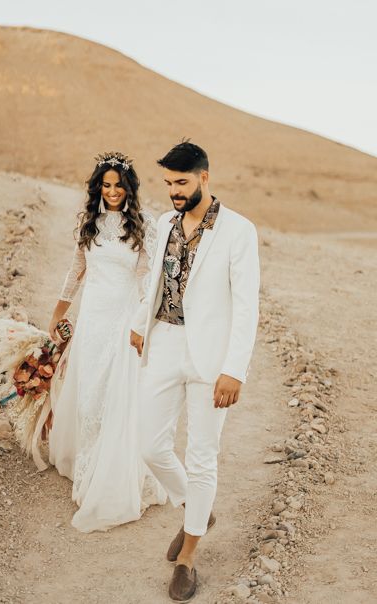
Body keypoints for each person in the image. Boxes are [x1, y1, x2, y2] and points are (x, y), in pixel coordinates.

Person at [131, 142, 260, 601]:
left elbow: (247, 307)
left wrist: (235, 370)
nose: (173, 192)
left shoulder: (239, 231)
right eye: (167, 184)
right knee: (150, 446)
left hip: (211, 358)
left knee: (202, 455)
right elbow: (154, 280)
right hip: (164, 341)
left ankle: (187, 558)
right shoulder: (164, 222)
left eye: (181, 183)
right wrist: (139, 324)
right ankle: (197, 510)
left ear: (205, 177)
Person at [48, 152, 166, 532]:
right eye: (106, 184)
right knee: (89, 395)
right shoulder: (91, 224)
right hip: (93, 320)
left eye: (119, 185)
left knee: (115, 395)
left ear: (129, 188)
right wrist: (58, 313)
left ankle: (108, 477)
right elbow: (76, 271)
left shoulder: (143, 226)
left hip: (123, 320)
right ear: (98, 187)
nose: (112, 191)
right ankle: (88, 460)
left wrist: (142, 323)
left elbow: (148, 279)